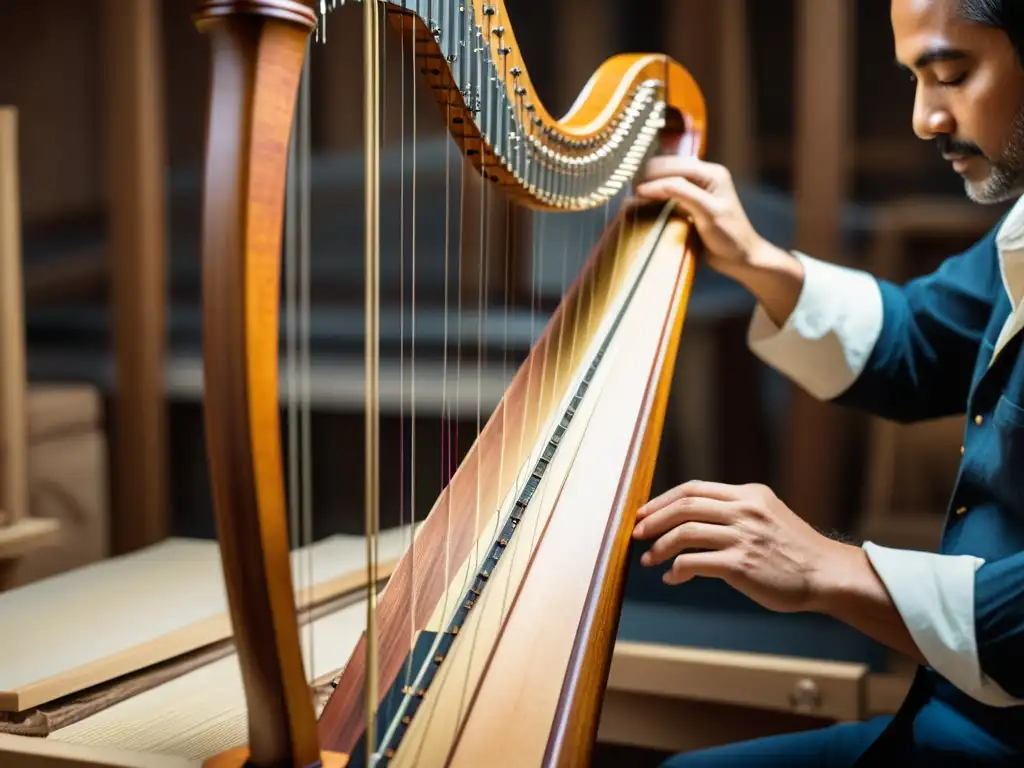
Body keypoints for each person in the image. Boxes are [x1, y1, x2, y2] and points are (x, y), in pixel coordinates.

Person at [631, 0, 1024, 765]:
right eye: (915, 78)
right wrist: (753, 259)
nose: (923, 119)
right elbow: (917, 344)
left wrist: (824, 567)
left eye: (949, 74)